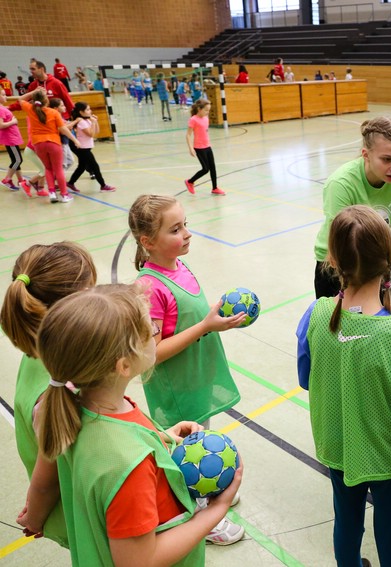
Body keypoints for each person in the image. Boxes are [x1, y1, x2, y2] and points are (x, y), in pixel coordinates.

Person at [35, 283, 243, 566]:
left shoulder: (79, 407)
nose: (157, 333)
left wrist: (160, 437)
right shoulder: (128, 464)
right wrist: (213, 511)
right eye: (151, 331)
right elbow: (139, 561)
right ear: (123, 366)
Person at [297, 205, 391, 567]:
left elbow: (306, 379)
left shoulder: (315, 313)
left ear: (333, 261)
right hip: (389, 457)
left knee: (346, 521)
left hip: (337, 445)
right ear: (387, 260)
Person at [128, 194, 245, 545]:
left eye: (185, 225)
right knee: (184, 453)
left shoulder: (178, 264)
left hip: (197, 375)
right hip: (176, 387)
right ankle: (198, 517)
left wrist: (216, 313)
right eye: (175, 229)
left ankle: (207, 492)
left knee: (199, 442)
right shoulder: (148, 287)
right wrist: (207, 326)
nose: (187, 234)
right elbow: (153, 354)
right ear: (148, 242)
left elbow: (187, 314)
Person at [2, 242, 97, 546]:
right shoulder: (61, 389)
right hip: (77, 511)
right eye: (91, 293)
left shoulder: (39, 346)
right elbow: (48, 480)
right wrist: (35, 516)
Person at [313, 117, 391, 315]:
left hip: (375, 265)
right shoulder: (341, 184)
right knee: (338, 331)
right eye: (387, 159)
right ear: (366, 155)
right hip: (336, 265)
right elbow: (340, 250)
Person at [19, 89, 80, 203]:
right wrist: (75, 140)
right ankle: (64, 195)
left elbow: (20, 99)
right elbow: (62, 129)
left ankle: (52, 193)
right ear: (46, 100)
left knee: (48, 168)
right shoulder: (53, 112)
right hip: (53, 142)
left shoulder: (31, 109)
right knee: (58, 170)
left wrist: (34, 92)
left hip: (38, 144)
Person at [67, 102, 116, 193]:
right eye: (88, 109)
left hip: (85, 147)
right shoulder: (81, 122)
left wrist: (95, 122)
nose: (90, 111)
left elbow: (96, 131)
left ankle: (70, 183)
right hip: (82, 148)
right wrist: (93, 123)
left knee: (82, 166)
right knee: (94, 166)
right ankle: (103, 185)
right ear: (81, 112)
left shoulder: (87, 120)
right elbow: (91, 134)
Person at [184, 99, 223, 196]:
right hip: (199, 148)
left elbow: (205, 132)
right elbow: (188, 135)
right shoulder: (193, 119)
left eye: (208, 110)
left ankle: (215, 188)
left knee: (213, 168)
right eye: (206, 110)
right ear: (199, 109)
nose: (207, 112)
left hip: (207, 146)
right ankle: (190, 181)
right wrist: (191, 148)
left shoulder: (206, 118)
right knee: (205, 169)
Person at [0, 89, 26, 192]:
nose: (6, 96)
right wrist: (13, 121)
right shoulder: (1, 110)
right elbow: (1, 125)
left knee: (16, 160)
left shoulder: (3, 108)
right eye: (3, 95)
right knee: (18, 160)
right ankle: (7, 179)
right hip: (10, 138)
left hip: (12, 138)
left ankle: (20, 180)